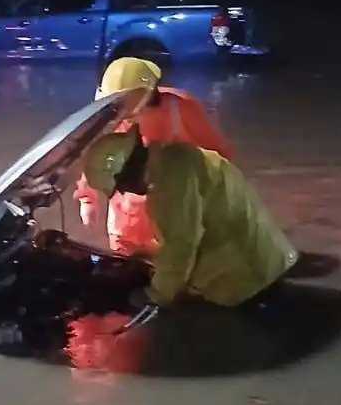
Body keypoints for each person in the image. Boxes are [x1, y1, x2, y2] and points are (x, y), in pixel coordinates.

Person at [80, 127, 297, 309]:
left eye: (122, 187)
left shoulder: (169, 184)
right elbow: (195, 225)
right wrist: (150, 255)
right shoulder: (177, 156)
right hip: (264, 255)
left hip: (246, 276)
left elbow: (181, 246)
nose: (127, 192)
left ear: (127, 171)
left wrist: (155, 295)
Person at [74, 57, 233, 256]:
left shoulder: (180, 108)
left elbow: (218, 153)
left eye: (121, 101)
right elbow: (95, 156)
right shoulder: (111, 117)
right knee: (123, 267)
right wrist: (87, 199)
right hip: (125, 221)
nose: (116, 107)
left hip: (173, 217)